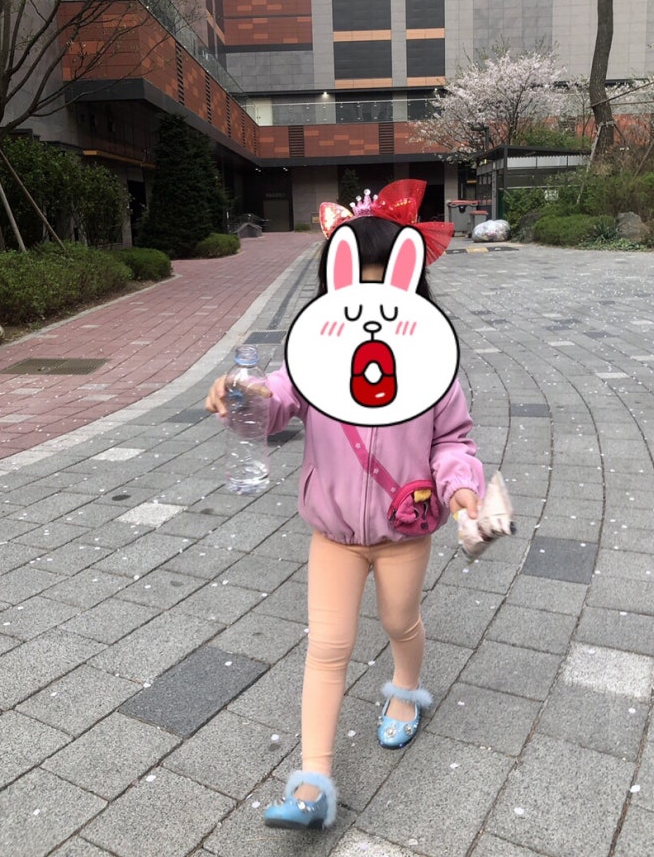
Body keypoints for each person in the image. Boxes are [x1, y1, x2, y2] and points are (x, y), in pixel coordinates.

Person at [205, 185, 485, 832]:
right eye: (354, 294)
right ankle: (313, 783)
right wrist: (239, 395)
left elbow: (453, 440)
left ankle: (406, 690)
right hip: (333, 532)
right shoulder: (314, 362)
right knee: (327, 646)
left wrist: (460, 485)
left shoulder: (433, 369)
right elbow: (273, 401)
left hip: (403, 527)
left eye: (384, 295)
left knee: (399, 619)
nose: (370, 316)